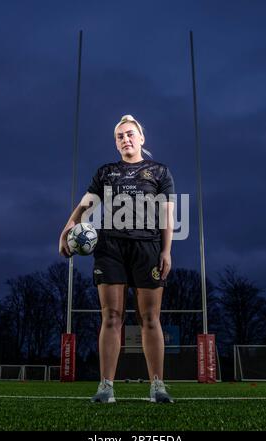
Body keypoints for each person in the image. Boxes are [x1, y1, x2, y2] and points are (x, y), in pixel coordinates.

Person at [59, 115, 175, 403]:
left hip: (146, 247)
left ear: (141, 138)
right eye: (120, 136)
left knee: (150, 318)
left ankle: (157, 386)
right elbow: (86, 205)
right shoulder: (106, 172)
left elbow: (167, 216)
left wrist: (166, 250)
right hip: (109, 248)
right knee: (111, 316)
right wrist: (66, 230)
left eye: (130, 134)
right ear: (116, 142)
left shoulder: (159, 172)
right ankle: (106, 386)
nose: (126, 139)